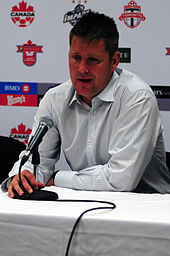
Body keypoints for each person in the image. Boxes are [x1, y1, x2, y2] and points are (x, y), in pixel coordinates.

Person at [2, 11, 170, 198]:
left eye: (93, 60)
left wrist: (57, 177)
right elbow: (37, 161)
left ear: (114, 61)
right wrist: (21, 176)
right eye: (76, 58)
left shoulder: (136, 97)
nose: (82, 69)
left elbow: (120, 180)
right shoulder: (54, 99)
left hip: (148, 209)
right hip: (85, 202)